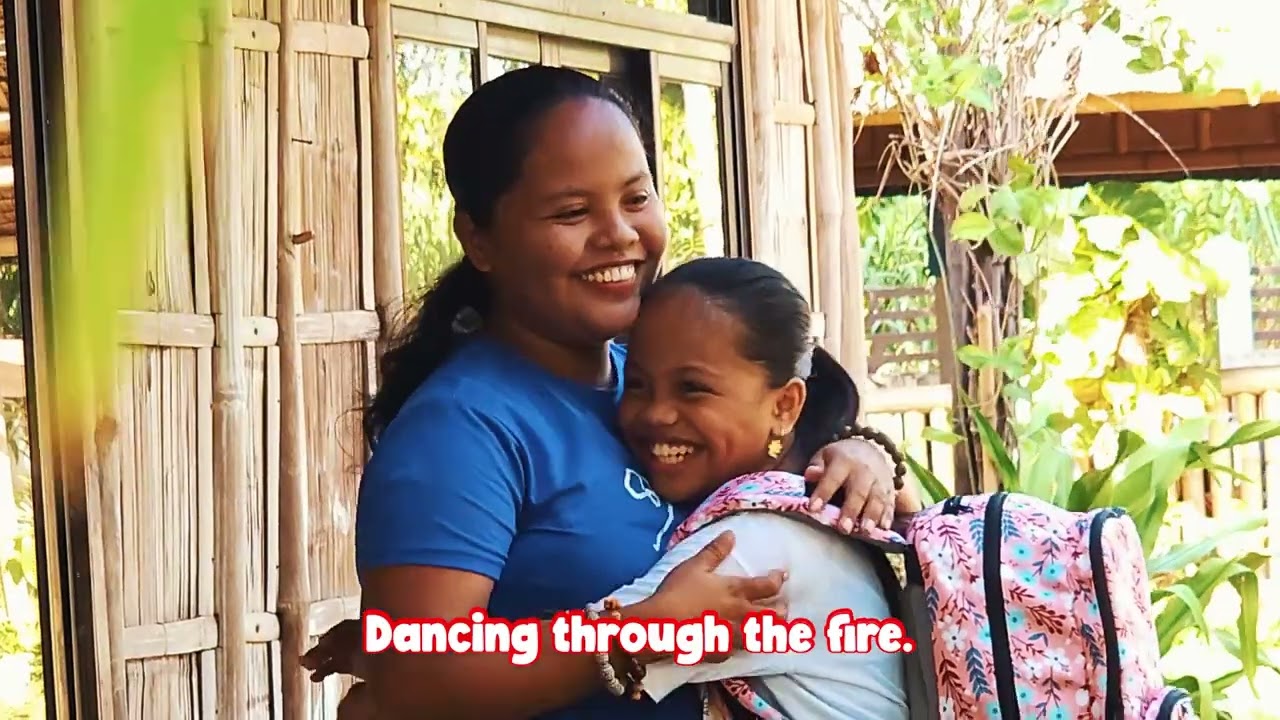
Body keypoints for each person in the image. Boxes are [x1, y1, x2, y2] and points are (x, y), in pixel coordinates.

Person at [303, 65, 913, 719]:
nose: (619, 233)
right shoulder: (463, 429)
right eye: (572, 211)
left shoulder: (650, 382)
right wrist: (637, 635)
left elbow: (779, 467)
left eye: (636, 198)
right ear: (479, 238)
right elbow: (416, 680)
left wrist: (862, 455)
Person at [604, 256, 914, 719]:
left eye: (692, 388)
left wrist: (640, 626)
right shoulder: (801, 505)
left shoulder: (751, 547)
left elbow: (577, 654)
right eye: (639, 384)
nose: (656, 414)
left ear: (785, 405)